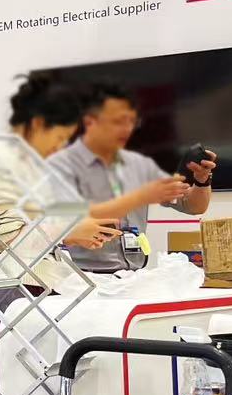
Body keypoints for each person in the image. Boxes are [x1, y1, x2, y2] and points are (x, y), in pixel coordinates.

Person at [0, 76, 121, 395]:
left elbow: (39, 228)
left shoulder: (31, 169)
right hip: (3, 297)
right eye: (60, 137)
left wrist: (80, 230)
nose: (60, 148)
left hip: (35, 293)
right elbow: (9, 236)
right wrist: (71, 229)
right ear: (37, 123)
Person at [49, 84, 217, 272]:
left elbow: (194, 206)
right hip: (80, 276)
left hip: (132, 275)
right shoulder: (61, 167)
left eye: (130, 121)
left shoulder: (140, 167)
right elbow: (42, 225)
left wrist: (202, 180)